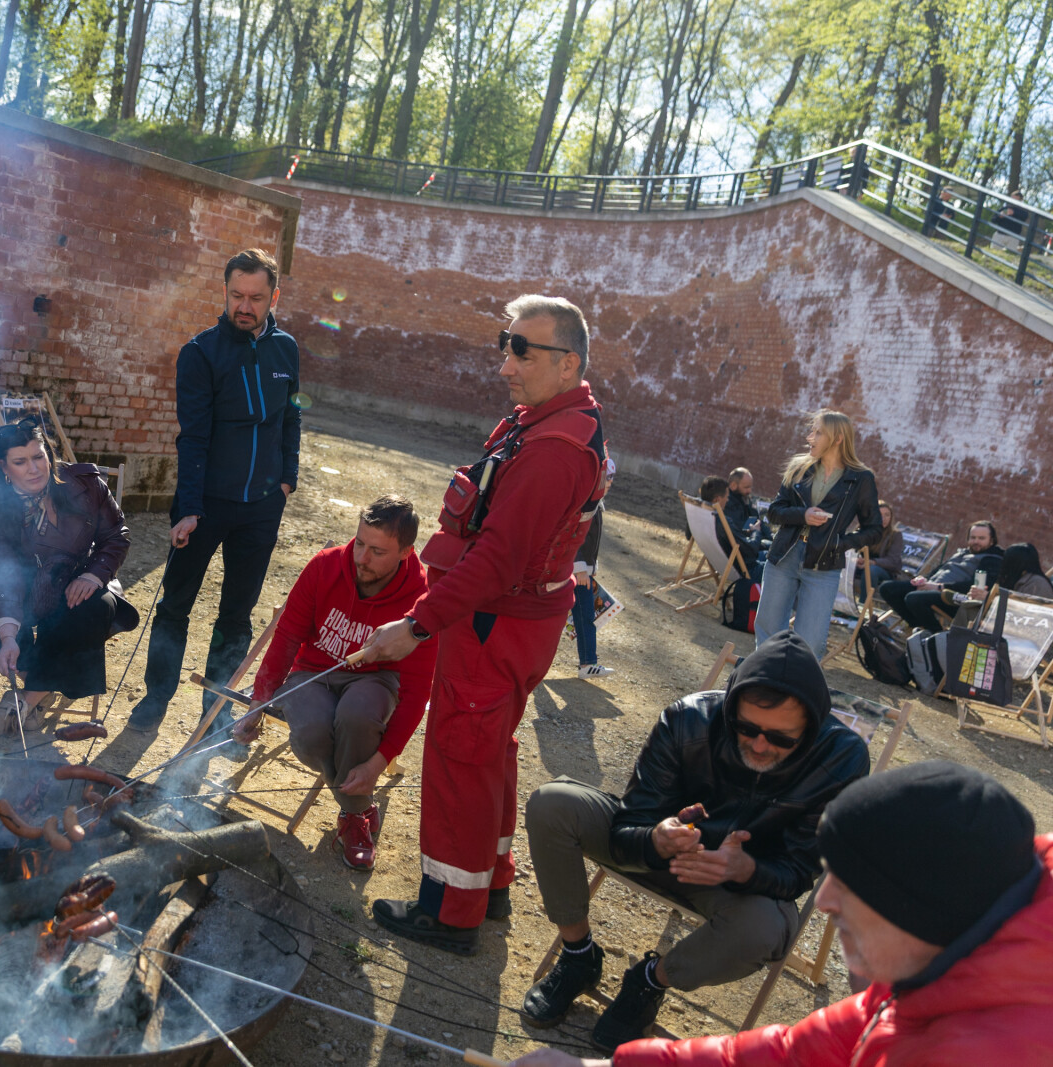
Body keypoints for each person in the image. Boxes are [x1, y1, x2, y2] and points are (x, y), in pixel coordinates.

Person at [506, 760, 1052, 1067]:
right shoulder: (953, 950)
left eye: (851, 884)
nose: (828, 901)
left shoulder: (992, 1053)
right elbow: (797, 1055)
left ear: (920, 910)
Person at [359, 295, 607, 956]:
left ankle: (450, 913)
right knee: (489, 746)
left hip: (497, 623)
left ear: (568, 363)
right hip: (519, 622)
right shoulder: (556, 423)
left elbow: (498, 559)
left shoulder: (555, 448)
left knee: (462, 752)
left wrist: (415, 624)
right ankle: (489, 882)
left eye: (523, 350)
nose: (507, 363)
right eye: (506, 344)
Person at [520, 632, 868, 1051]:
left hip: (734, 885)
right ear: (730, 707)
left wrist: (745, 869)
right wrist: (655, 839)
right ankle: (578, 956)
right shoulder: (689, 718)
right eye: (746, 727)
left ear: (810, 729)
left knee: (766, 929)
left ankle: (650, 981)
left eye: (781, 739)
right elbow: (628, 826)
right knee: (553, 803)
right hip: (656, 853)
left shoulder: (842, 758)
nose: (760, 745)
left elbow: (797, 872)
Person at [128, 248, 301, 735]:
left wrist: (287, 476)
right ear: (224, 292)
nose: (245, 307)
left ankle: (218, 708)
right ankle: (156, 697)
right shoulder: (200, 353)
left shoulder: (286, 349)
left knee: (237, 612)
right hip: (205, 508)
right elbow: (193, 436)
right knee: (174, 605)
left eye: (257, 298)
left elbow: (292, 414)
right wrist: (187, 509)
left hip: (262, 507)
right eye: (237, 296)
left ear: (274, 297)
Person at [230, 496, 436, 870]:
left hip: (376, 678)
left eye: (377, 551)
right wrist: (257, 706)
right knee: (311, 735)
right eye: (359, 543)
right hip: (312, 671)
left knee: (357, 718)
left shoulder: (422, 600)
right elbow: (287, 639)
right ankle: (360, 808)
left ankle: (353, 819)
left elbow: (419, 691)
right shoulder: (325, 567)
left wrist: (379, 762)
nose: (361, 558)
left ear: (406, 551)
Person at [0, 418, 137, 731]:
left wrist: (93, 575)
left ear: (49, 455)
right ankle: (40, 682)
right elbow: (4, 575)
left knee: (95, 607)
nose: (34, 469)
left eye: (39, 457)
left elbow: (117, 535)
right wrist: (8, 637)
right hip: (20, 583)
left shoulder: (85, 484)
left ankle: (28, 698)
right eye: (20, 462)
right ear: (4, 468)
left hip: (79, 574)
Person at [754, 410, 881, 659]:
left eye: (817, 431)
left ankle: (796, 691)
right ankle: (763, 685)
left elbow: (874, 529)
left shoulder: (861, 479)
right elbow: (775, 512)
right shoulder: (799, 468)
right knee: (768, 631)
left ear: (837, 438)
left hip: (824, 565)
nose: (810, 436)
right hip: (784, 556)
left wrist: (840, 543)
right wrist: (803, 515)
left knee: (811, 644)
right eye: (812, 431)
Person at [878, 521, 1003, 633]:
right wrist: (923, 579)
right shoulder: (962, 552)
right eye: (973, 538)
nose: (976, 541)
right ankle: (917, 625)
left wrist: (939, 587)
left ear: (991, 540)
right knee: (887, 588)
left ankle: (936, 634)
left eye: (981, 538)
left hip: (954, 597)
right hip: (932, 587)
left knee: (914, 598)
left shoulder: (992, 559)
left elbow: (972, 586)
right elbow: (940, 569)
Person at [575, 458, 616, 680]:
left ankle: (588, 663)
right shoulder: (585, 502)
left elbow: (592, 540)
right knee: (580, 616)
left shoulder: (595, 502)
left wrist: (590, 567)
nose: (609, 483)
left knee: (584, 616)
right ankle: (588, 662)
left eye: (611, 479)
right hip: (574, 572)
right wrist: (580, 568)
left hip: (581, 571)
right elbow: (574, 535)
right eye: (606, 479)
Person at [700, 475, 764, 578]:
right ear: (717, 499)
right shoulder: (722, 520)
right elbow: (750, 550)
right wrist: (756, 531)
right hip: (743, 566)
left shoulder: (701, 514)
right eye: (726, 497)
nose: (727, 500)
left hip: (723, 560)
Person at [857, 499, 904, 599]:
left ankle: (864, 606)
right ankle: (840, 603)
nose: (883, 518)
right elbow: (851, 550)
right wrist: (855, 560)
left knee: (871, 570)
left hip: (883, 571)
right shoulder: (863, 530)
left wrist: (872, 562)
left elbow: (892, 561)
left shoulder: (895, 535)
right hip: (861, 566)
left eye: (887, 515)